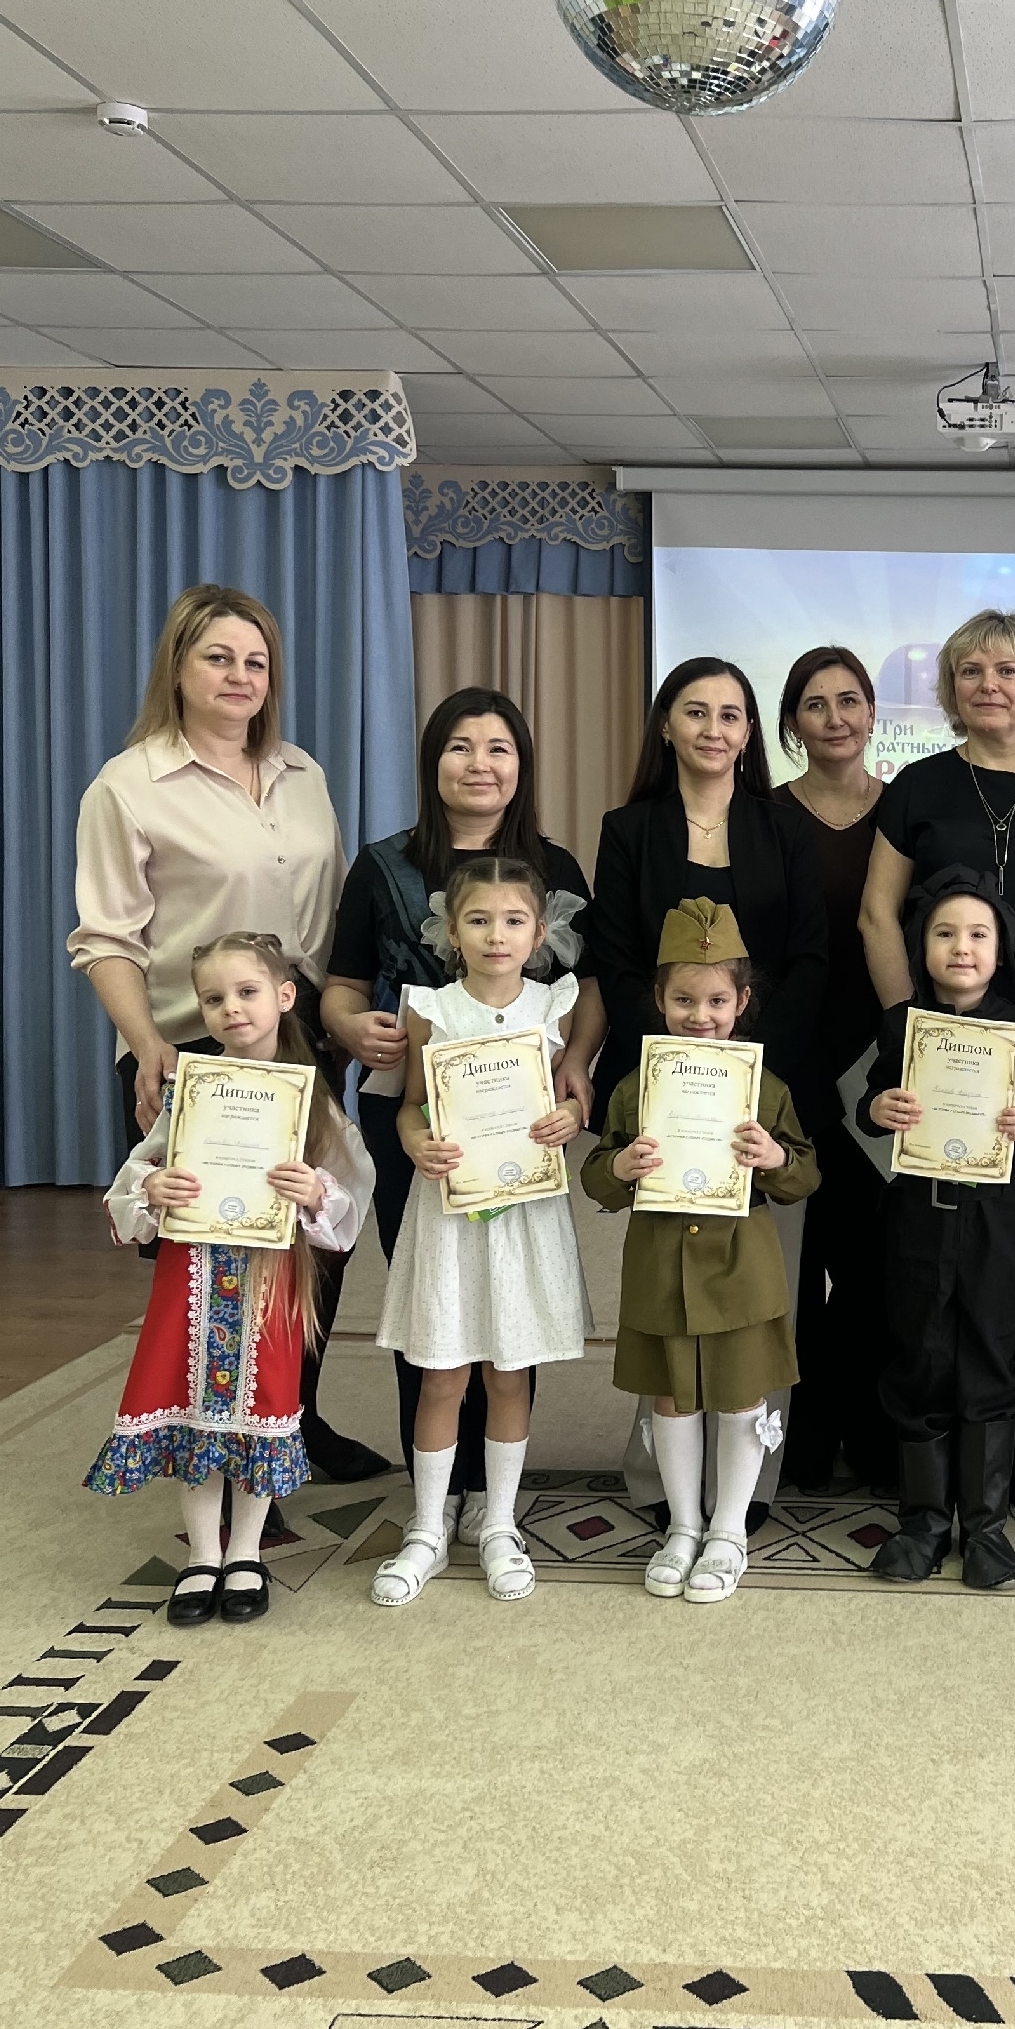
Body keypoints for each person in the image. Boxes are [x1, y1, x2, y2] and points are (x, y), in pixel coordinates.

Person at [69, 582, 385, 1483]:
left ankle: (292, 1423)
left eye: (256, 661)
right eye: (218, 658)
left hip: (302, 1042)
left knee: (313, 1235)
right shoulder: (129, 786)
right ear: (177, 667)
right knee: (219, 1259)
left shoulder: (302, 772)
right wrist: (148, 1046)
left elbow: (330, 916)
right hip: (193, 1046)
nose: (241, 676)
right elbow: (105, 937)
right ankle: (225, 1445)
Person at [322, 687, 603, 1538]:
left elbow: (587, 988)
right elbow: (341, 983)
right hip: (413, 1115)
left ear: (522, 766)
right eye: (460, 746)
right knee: (433, 1297)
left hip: (520, 1119)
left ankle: (492, 1495)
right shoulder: (382, 865)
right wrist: (351, 1027)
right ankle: (434, 1493)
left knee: (512, 1294)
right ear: (432, 761)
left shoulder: (555, 867)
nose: (480, 764)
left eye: (498, 749)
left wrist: (577, 1066)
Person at [861, 611, 1015, 1525]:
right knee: (933, 1266)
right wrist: (913, 1033)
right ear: (950, 688)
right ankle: (924, 1473)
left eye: (1008, 670)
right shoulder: (920, 785)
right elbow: (878, 914)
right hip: (942, 1058)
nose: (989, 685)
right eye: (970, 671)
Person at [587, 657, 826, 1522]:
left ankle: (745, 1490)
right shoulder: (628, 829)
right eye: (696, 711)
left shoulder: (784, 826)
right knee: (665, 1288)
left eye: (731, 714)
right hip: (662, 1088)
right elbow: (614, 961)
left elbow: (809, 957)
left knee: (758, 1293)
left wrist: (744, 1072)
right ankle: (663, 1486)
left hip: (760, 1087)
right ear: (667, 724)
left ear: (749, 732)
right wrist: (669, 1069)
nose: (714, 729)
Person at [85, 933, 373, 1628]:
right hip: (193, 1277)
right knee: (192, 1408)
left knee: (258, 1406)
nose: (232, 1009)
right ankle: (202, 1554)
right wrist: (153, 1187)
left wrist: (315, 1192)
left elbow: (351, 1186)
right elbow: (139, 1171)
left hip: (269, 1281)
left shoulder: (309, 1096)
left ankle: (245, 1551)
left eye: (247, 992)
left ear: (284, 996)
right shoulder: (191, 1089)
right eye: (214, 999)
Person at [582, 899, 819, 1605]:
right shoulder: (635, 1088)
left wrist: (775, 1157)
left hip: (741, 1268)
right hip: (661, 1266)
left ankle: (729, 1530)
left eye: (717, 1000)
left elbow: (804, 1175)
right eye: (684, 999)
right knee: (672, 1398)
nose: (700, 1015)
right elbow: (596, 1174)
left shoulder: (765, 1088)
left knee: (742, 1394)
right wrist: (620, 1167)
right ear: (659, 999)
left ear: (742, 1002)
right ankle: (683, 1526)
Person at [370, 859, 590, 1607]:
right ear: (451, 932)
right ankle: (428, 1527)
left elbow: (567, 1096)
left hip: (524, 1212)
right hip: (450, 1212)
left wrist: (572, 1116)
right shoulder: (431, 1008)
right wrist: (414, 1141)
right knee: (443, 1372)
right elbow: (410, 1105)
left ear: (540, 932)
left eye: (514, 921)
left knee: (509, 1370)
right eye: (479, 920)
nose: (497, 935)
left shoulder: (555, 1005)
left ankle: (498, 1522)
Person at [859, 868, 1015, 1590]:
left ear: (1000, 948)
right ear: (921, 947)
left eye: (979, 934)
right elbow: (870, 1103)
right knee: (919, 1354)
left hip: (995, 1227)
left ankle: (985, 1527)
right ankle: (922, 1522)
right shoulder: (901, 1026)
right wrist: (880, 1108)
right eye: (944, 933)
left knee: (990, 1355)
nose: (962, 947)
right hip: (917, 1222)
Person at [772, 646, 897, 1496]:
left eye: (850, 701)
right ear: (793, 724)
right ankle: (805, 1438)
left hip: (883, 1067)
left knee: (872, 1264)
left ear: (873, 713)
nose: (836, 718)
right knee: (798, 1259)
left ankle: (874, 1433)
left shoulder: (904, 810)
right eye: (816, 705)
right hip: (794, 1065)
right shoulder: (766, 815)